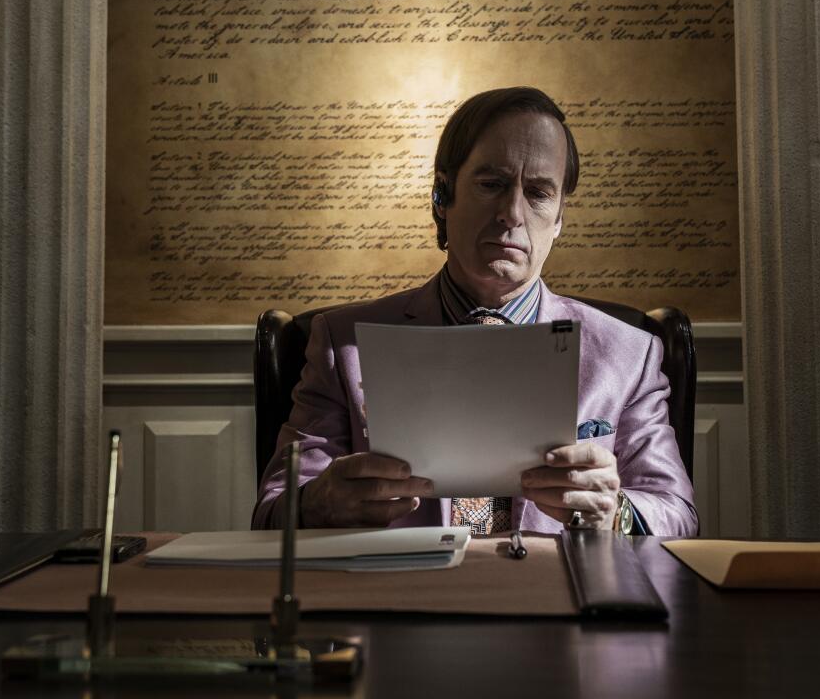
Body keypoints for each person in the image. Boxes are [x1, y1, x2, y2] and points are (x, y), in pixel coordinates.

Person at [252, 86, 698, 537]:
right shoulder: (341, 342)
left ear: (560, 216)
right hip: (402, 595)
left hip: (559, 595)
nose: (511, 213)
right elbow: (272, 512)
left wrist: (615, 510)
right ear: (441, 197)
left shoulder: (630, 353)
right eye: (492, 185)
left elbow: (677, 514)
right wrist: (319, 503)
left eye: (539, 193)